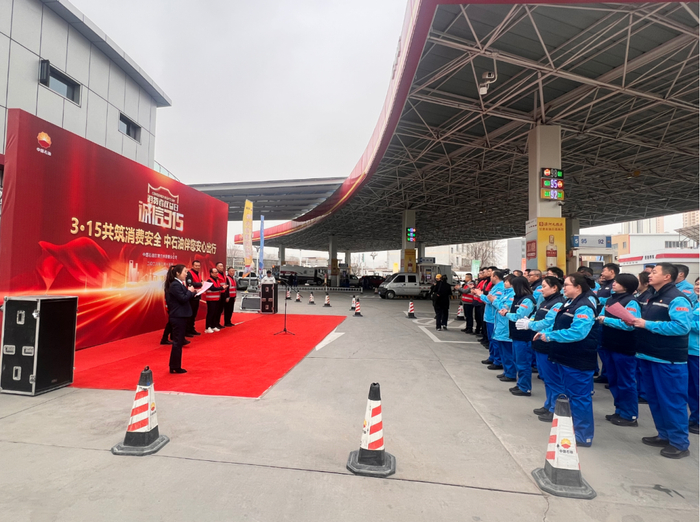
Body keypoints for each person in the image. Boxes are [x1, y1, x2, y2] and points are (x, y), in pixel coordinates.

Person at [632, 263, 692, 459]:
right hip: (649, 355)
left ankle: (679, 443)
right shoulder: (652, 296)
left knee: (672, 401)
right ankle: (664, 435)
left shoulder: (677, 299)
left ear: (667, 277)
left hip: (668, 359)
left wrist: (647, 324)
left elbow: (681, 327)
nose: (650, 275)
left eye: (655, 272)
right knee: (656, 400)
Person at [534, 273, 599, 446]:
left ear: (578, 287)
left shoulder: (584, 307)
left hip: (578, 358)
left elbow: (578, 332)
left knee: (579, 397)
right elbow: (558, 324)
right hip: (565, 356)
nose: (563, 288)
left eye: (567, 285)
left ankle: (583, 435)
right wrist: (544, 331)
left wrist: (550, 336)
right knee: (570, 395)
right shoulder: (569, 303)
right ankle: (573, 429)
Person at [517, 276, 566, 421]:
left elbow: (549, 322)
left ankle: (555, 409)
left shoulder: (558, 303)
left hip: (548, 344)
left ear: (554, 288)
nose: (541, 289)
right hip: (539, 343)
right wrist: (530, 320)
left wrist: (530, 325)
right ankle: (548, 404)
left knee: (553, 378)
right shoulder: (546, 301)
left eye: (544, 286)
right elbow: (538, 316)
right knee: (546, 377)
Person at [597, 273, 641, 427]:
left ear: (627, 286)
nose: (613, 284)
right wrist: (603, 319)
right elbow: (601, 315)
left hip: (624, 347)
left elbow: (630, 324)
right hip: (609, 344)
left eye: (618, 282)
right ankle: (620, 409)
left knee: (626, 381)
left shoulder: (631, 302)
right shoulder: (611, 299)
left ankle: (630, 414)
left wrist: (606, 320)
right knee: (614, 380)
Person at [504, 276, 537, 396]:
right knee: (517, 361)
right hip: (516, 334)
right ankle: (520, 384)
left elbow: (519, 316)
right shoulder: (517, 298)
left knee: (523, 363)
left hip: (524, 336)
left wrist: (506, 314)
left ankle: (525, 387)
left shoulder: (527, 300)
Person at [164, 264, 195, 374]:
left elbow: (184, 296)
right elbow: (183, 298)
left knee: (178, 342)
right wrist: (190, 291)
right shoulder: (175, 285)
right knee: (177, 342)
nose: (187, 274)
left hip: (181, 316)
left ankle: (175, 365)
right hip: (178, 316)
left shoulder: (178, 284)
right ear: (177, 273)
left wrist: (193, 293)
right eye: (185, 272)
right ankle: (175, 366)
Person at [474, 269, 505, 370]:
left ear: (495, 277)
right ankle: (492, 357)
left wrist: (480, 294)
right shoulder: (495, 287)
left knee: (495, 340)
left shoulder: (501, 288)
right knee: (491, 339)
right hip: (489, 316)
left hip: (494, 317)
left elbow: (491, 300)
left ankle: (497, 360)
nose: (490, 278)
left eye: (491, 276)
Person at [492, 274, 516, 382]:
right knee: (503, 351)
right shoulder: (505, 293)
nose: (504, 283)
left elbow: (504, 308)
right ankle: (506, 371)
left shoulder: (512, 295)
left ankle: (510, 373)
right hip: (501, 326)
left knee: (508, 352)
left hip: (506, 327)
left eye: (507, 281)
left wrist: (494, 300)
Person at [688, 277, 699, 435]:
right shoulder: (693, 303)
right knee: (691, 388)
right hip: (688, 351)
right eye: (697, 284)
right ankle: (695, 417)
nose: (698, 286)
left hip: (698, 352)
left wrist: (682, 322)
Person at [185, 260, 204, 336]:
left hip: (197, 296)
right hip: (191, 296)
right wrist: (200, 284)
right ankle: (187, 330)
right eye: (196, 265)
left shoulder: (198, 273)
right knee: (190, 314)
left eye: (198, 266)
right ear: (192, 266)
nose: (197, 267)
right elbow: (189, 283)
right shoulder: (189, 273)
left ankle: (192, 329)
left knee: (194, 314)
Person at [203, 268, 224, 333]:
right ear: (211, 273)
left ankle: (213, 325)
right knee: (210, 313)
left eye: (217, 272)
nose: (217, 273)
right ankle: (208, 327)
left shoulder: (217, 280)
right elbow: (212, 289)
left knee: (215, 313)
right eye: (215, 272)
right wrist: (222, 288)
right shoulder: (209, 280)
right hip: (210, 299)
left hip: (216, 299)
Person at [215, 262, 230, 329]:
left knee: (220, 310)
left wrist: (227, 295)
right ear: (216, 267)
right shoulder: (216, 275)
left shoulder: (223, 274)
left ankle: (218, 323)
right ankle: (215, 324)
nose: (222, 267)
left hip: (223, 293)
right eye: (220, 266)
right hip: (218, 293)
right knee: (217, 310)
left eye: (222, 266)